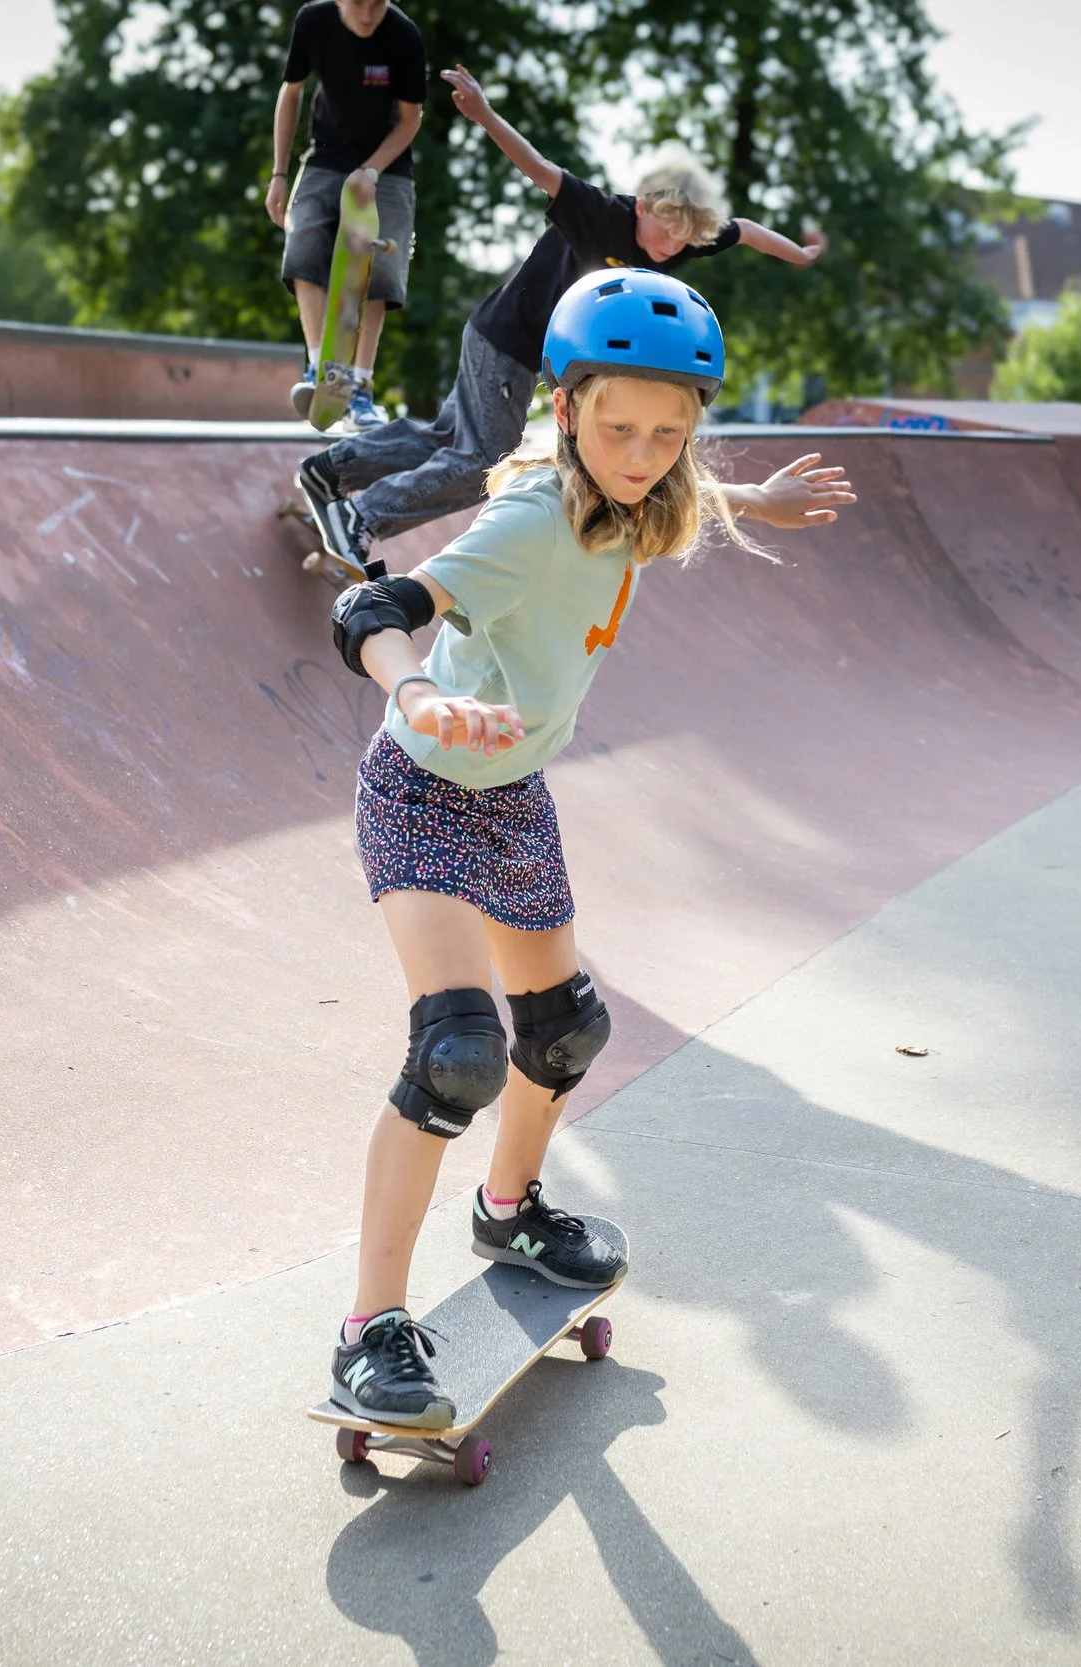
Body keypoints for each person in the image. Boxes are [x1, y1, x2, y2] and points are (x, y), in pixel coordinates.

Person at [321, 269, 852, 1425]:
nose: (644, 451)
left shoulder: (643, 493)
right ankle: (368, 1329)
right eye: (617, 427)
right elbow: (375, 608)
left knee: (562, 1031)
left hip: (510, 794)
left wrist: (755, 497)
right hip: (419, 787)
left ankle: (507, 1208)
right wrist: (413, 695)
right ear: (563, 409)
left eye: (670, 431)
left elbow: (685, 496)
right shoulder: (526, 520)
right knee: (457, 1052)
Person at [295, 64, 830, 574]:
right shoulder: (598, 212)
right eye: (663, 233)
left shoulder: (687, 233)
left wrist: (801, 258)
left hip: (510, 346)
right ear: (643, 206)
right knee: (482, 461)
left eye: (683, 241)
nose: (669, 249)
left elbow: (749, 230)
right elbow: (537, 167)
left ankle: (330, 471)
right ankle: (361, 517)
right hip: (507, 339)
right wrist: (482, 114)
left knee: (446, 438)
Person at [267, 0, 426, 429]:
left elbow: (411, 119)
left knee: (382, 267)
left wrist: (371, 170)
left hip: (389, 165)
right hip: (325, 157)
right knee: (303, 242)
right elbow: (291, 92)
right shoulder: (313, 22)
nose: (368, 14)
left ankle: (360, 387)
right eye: (358, 3)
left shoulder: (403, 36)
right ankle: (324, 371)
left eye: (378, 4)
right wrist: (279, 174)